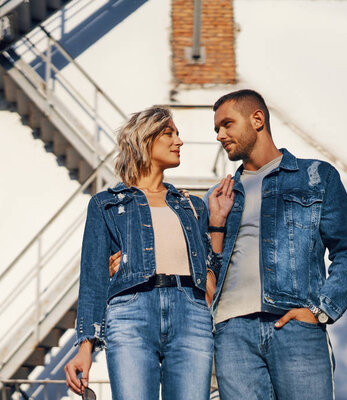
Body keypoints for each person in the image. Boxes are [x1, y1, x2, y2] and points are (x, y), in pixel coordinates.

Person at [64, 106, 234, 400]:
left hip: (190, 314)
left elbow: (210, 278)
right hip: (131, 313)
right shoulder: (107, 204)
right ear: (144, 140)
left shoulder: (191, 206)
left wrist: (216, 226)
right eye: (169, 133)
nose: (179, 141)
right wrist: (85, 346)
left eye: (177, 134)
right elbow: (93, 278)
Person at [205, 89, 347, 399]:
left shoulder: (316, 177)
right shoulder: (219, 195)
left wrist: (320, 311)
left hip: (294, 326)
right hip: (232, 334)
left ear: (257, 119)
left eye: (226, 124)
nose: (220, 135)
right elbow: (206, 268)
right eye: (216, 129)